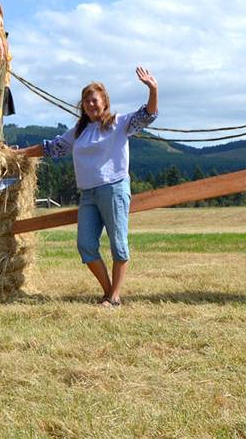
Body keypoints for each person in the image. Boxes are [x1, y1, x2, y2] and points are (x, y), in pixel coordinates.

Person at [18, 67, 158, 307]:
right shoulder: (79, 131)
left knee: (118, 243)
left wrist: (153, 90)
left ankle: (114, 297)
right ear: (82, 106)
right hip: (88, 194)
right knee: (85, 245)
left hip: (113, 188)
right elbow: (52, 147)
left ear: (104, 102)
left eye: (95, 100)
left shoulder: (119, 123)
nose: (91, 105)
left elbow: (147, 115)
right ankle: (108, 291)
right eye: (86, 101)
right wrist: (19, 153)